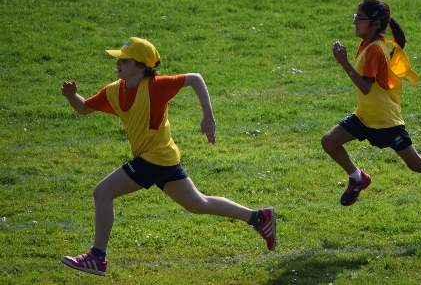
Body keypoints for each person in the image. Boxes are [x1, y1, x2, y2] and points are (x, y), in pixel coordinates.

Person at [60, 37, 276, 276]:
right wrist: (72, 96)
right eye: (118, 59)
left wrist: (208, 116)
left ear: (141, 67)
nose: (118, 63)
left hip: (156, 158)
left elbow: (196, 78)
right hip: (165, 158)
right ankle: (259, 218)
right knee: (198, 204)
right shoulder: (113, 91)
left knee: (103, 191)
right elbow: (84, 108)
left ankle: (97, 257)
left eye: (125, 60)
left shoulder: (155, 86)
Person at [321, 0, 421, 224]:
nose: (355, 21)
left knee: (416, 164)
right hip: (365, 117)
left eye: (360, 18)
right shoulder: (366, 44)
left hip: (386, 121)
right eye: (355, 16)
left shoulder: (375, 49)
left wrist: (343, 62)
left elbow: (366, 87)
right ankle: (358, 178)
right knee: (329, 141)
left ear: (375, 24)